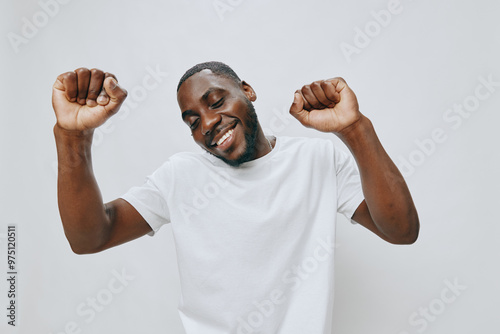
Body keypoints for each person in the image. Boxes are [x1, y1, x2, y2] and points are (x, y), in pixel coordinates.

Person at [52, 61, 419, 334]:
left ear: (247, 90)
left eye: (216, 101)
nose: (208, 123)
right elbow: (89, 238)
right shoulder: (181, 176)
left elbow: (401, 229)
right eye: (192, 120)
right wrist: (73, 138)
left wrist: (355, 128)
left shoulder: (317, 161)